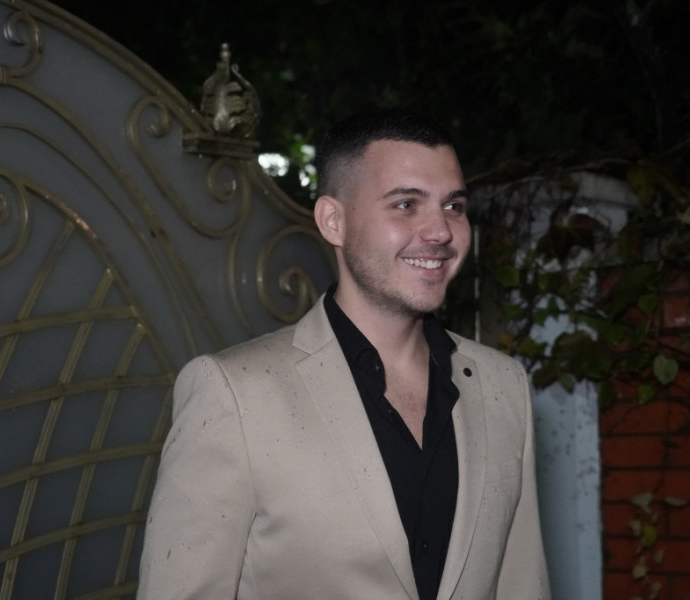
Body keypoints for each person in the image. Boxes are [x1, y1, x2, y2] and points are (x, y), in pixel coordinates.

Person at [137, 108, 551, 600]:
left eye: (454, 206)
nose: (441, 231)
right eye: (406, 204)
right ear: (334, 221)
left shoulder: (504, 386)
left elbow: (522, 583)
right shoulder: (234, 395)